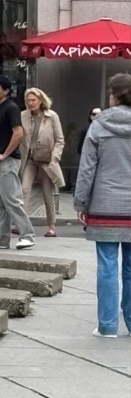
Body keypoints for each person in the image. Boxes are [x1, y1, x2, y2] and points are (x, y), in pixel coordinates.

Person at [74, 73, 131, 338]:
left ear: (114, 95)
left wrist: (81, 202)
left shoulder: (99, 125)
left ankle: (107, 326)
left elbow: (87, 168)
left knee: (107, 265)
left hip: (105, 205)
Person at [0, 75, 36, 250]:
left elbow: (18, 133)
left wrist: (5, 154)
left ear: (6, 91)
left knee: (12, 199)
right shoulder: (0, 108)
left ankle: (27, 235)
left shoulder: (11, 108)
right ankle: (0, 239)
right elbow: (2, 134)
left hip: (8, 161)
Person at [20, 88, 65, 238]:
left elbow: (60, 140)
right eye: (28, 100)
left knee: (48, 194)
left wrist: (55, 157)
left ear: (40, 100)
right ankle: (23, 225)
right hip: (30, 159)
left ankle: (52, 226)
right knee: (24, 190)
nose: (31, 103)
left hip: (47, 159)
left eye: (33, 100)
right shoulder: (23, 116)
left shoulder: (52, 116)